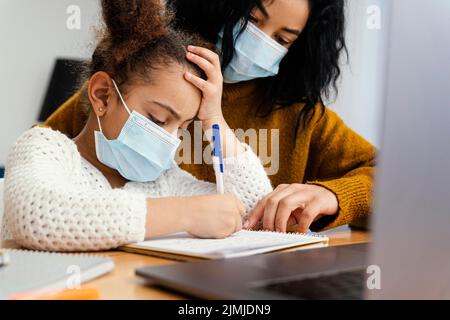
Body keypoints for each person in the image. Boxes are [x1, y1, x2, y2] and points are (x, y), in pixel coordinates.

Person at [44, 0, 376, 233]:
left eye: (282, 39)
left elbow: (399, 186)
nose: (260, 42)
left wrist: (333, 196)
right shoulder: (140, 88)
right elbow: (37, 170)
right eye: (253, 21)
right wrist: (180, 216)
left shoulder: (303, 116)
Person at [1, 0, 273, 252]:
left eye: (182, 128)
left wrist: (215, 119)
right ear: (103, 95)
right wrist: (185, 214)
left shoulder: (164, 182)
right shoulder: (45, 149)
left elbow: (253, 211)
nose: (170, 140)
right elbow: (36, 218)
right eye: (157, 119)